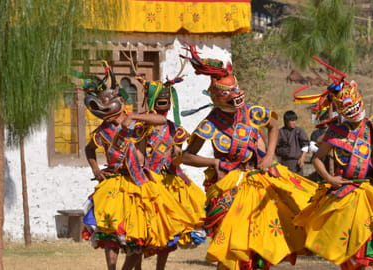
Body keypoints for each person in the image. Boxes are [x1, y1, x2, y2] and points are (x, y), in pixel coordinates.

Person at [180, 42, 318, 269]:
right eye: (229, 92)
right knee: (233, 241)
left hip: (257, 180)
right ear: (218, 96)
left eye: (237, 89)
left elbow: (273, 126)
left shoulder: (251, 112)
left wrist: (269, 155)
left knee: (263, 234)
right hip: (229, 185)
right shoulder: (210, 124)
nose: (237, 95)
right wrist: (215, 161)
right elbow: (187, 157)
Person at [293, 58, 373, 270]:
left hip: (371, 190)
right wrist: (330, 179)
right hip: (345, 191)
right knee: (348, 247)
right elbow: (317, 159)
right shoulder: (335, 132)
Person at [78, 63, 196, 270]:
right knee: (111, 232)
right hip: (114, 184)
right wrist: (96, 170)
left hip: (139, 183)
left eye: (107, 103)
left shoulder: (138, 123)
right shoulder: (101, 132)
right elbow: (89, 150)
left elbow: (160, 120)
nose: (103, 109)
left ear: (121, 102)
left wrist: (134, 116)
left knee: (139, 235)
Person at [135, 76, 206, 270]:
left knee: (169, 230)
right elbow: (140, 154)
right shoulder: (144, 128)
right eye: (160, 99)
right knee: (146, 227)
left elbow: (177, 156)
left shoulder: (176, 129)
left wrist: (177, 159)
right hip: (150, 181)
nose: (164, 103)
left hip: (170, 182)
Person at [275, 110, 309, 176]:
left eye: (295, 120)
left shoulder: (299, 131)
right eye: (292, 121)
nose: (294, 122)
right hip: (284, 162)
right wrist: (279, 159)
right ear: (286, 121)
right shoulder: (280, 132)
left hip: (296, 162)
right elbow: (276, 147)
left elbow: (305, 145)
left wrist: (302, 158)